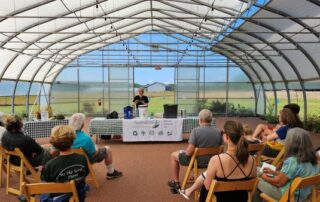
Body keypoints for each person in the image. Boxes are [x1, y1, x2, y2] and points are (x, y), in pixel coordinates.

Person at [179, 120, 256, 202]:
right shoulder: (252, 160)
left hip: (220, 199)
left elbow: (207, 187)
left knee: (204, 188)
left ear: (226, 137)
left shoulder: (217, 160)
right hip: (242, 199)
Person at [254, 128, 319, 202]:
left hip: (287, 196)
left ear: (292, 143)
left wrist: (261, 174)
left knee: (256, 179)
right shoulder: (313, 161)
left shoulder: (293, 161)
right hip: (302, 196)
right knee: (260, 173)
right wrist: (274, 172)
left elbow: (278, 182)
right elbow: (292, 176)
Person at [168, 109, 222, 192]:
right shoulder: (218, 131)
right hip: (213, 161)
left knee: (173, 155)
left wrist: (182, 152)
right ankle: (196, 176)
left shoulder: (195, 131)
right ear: (211, 120)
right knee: (192, 153)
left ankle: (176, 182)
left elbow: (189, 153)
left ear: (199, 120)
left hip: (197, 161)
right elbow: (220, 149)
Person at [41, 125, 89, 202]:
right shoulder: (82, 158)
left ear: (54, 143)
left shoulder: (51, 164)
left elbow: (46, 180)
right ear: (73, 140)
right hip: (78, 195)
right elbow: (85, 173)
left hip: (58, 197)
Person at [69, 113, 122, 180]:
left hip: (68, 160)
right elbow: (94, 154)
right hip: (83, 161)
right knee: (107, 149)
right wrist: (96, 148)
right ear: (82, 125)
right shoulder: (86, 139)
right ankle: (111, 173)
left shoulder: (62, 136)